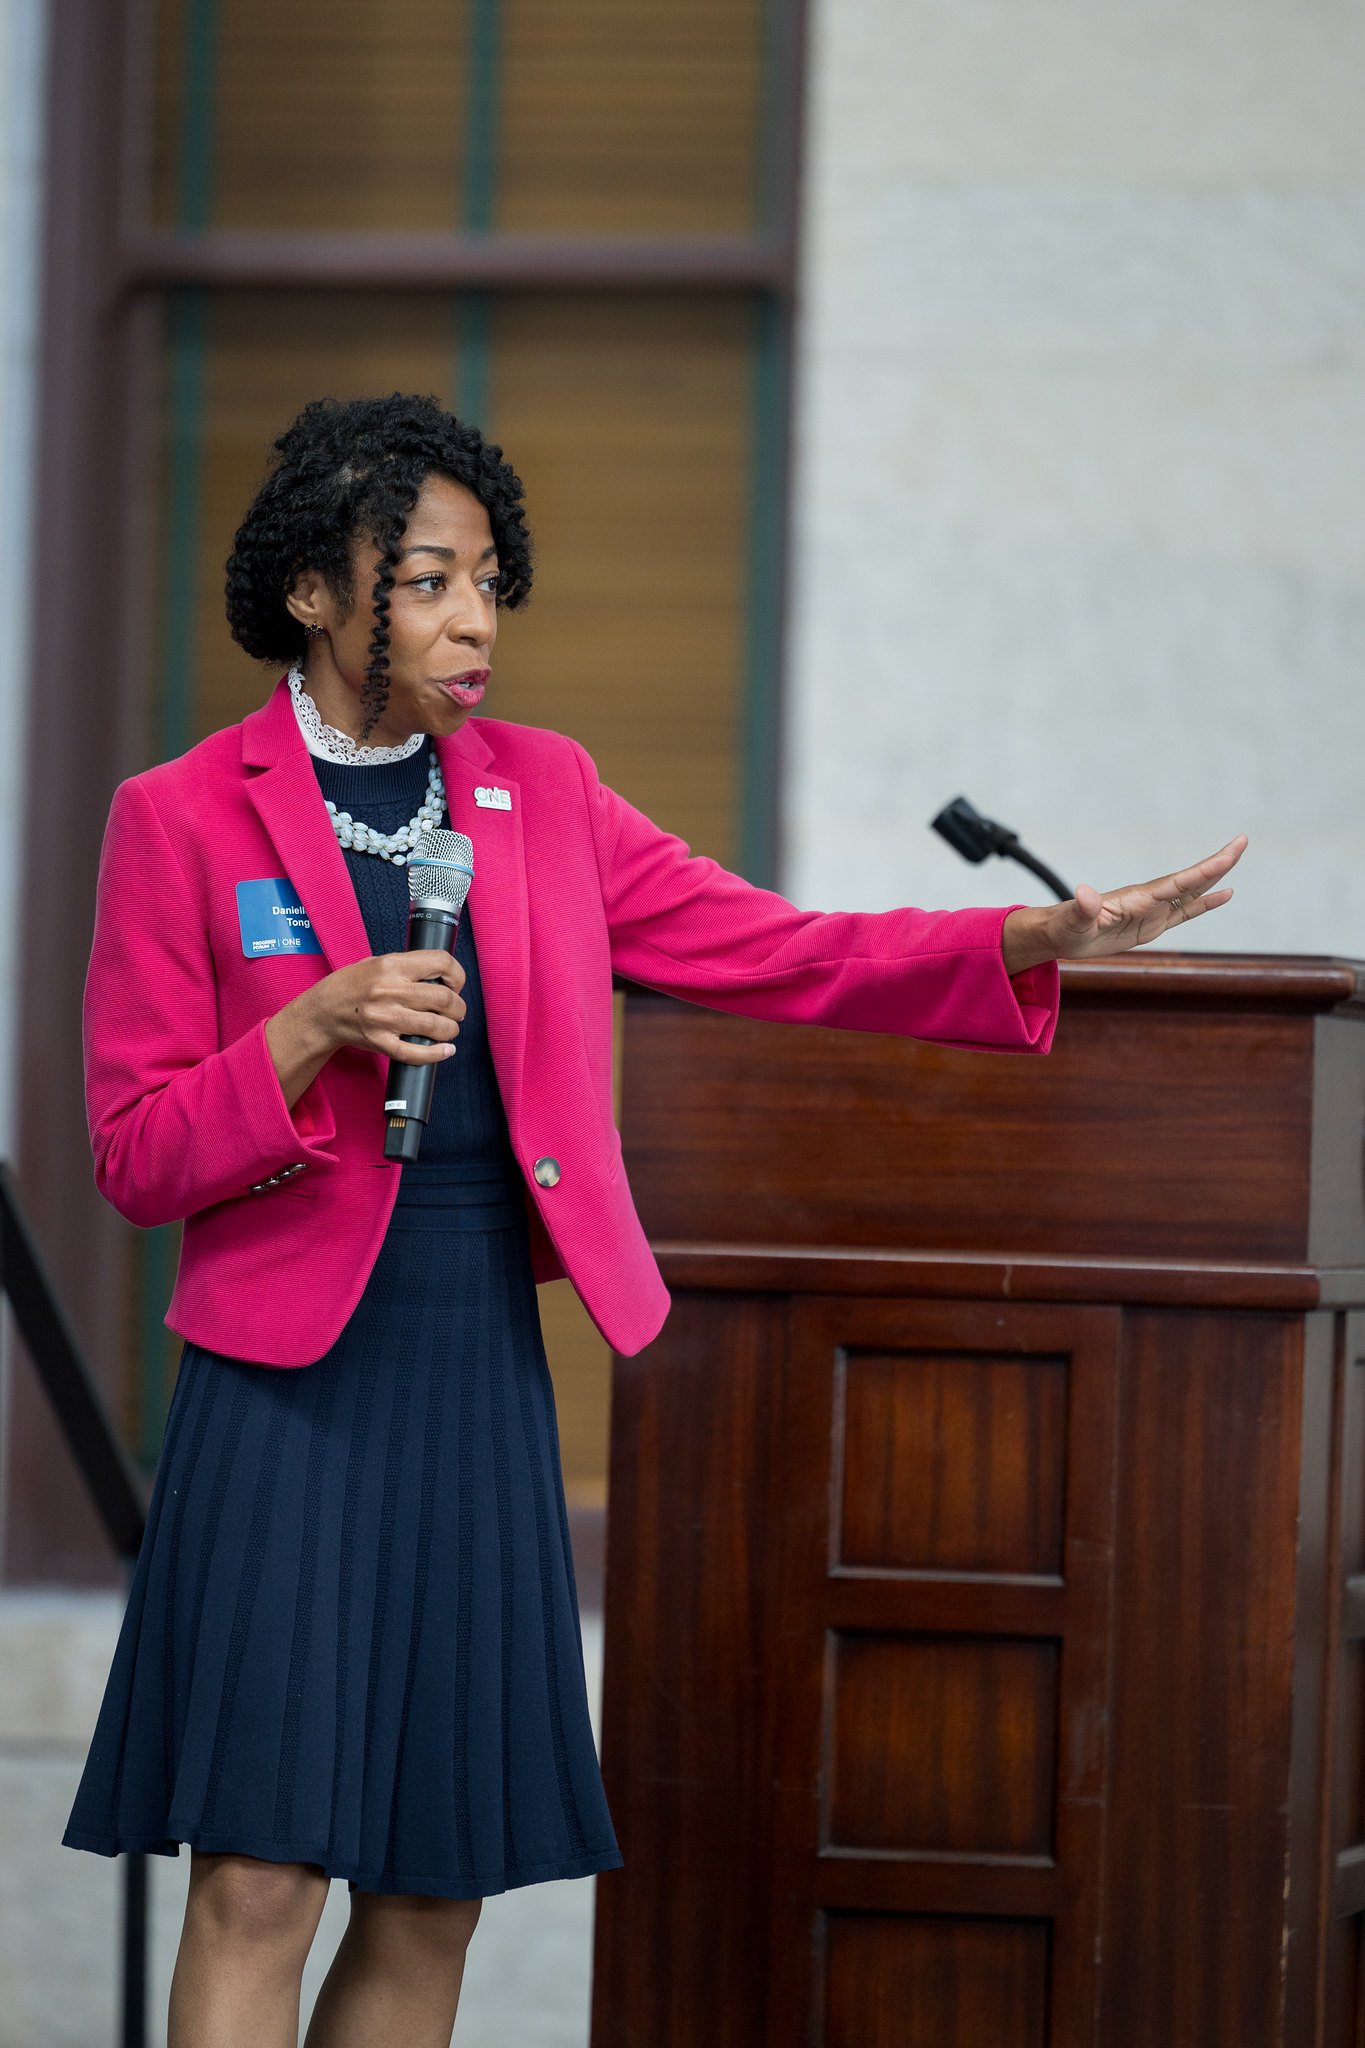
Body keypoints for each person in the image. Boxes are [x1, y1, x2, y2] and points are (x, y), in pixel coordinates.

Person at [61, 392, 1245, 2048]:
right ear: (316, 596)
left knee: (430, 1880)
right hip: (280, 1389)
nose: (473, 619)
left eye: (488, 581)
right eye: (424, 580)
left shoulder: (545, 793)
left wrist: (1025, 941)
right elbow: (129, 1151)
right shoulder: (179, 813)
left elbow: (784, 948)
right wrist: (306, 1030)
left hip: (473, 1358)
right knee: (260, 1877)